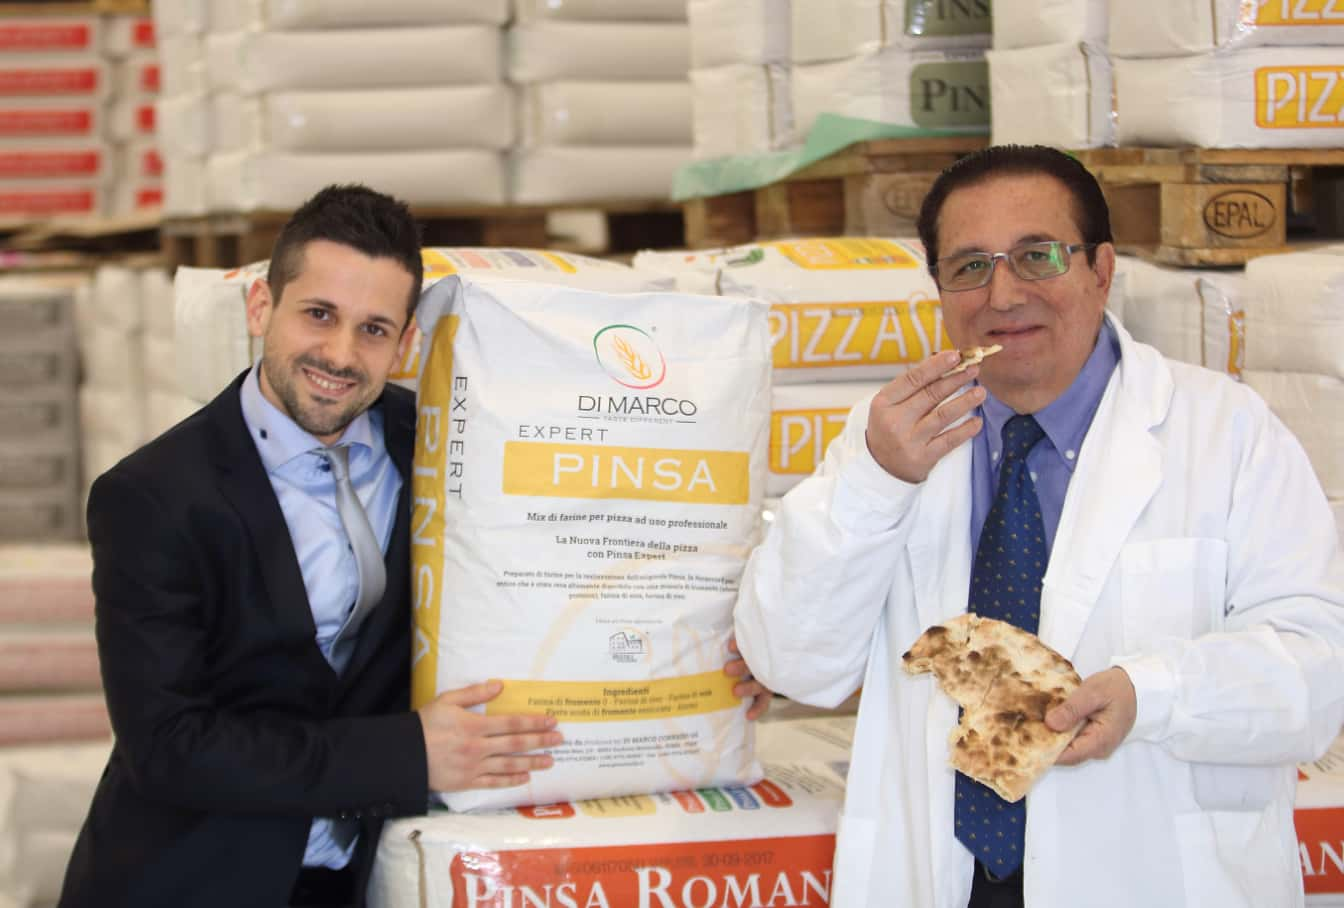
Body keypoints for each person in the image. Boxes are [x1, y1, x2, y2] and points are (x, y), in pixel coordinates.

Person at [59, 184, 767, 908]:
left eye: (373, 329)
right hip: (193, 879)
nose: (339, 353)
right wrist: (412, 753)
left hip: (368, 875)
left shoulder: (449, 442)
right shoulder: (153, 497)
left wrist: (713, 660)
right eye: (319, 315)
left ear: (405, 342)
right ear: (261, 309)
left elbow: (574, 556)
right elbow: (169, 747)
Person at [733, 145, 1344, 908]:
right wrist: (876, 479)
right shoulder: (890, 438)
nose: (1002, 293)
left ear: (1102, 269)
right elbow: (794, 662)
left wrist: (1149, 694)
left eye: (1037, 256)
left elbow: (1319, 669)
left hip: (1153, 875)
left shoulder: (1224, 434)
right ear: (938, 290)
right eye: (968, 267)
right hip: (943, 878)